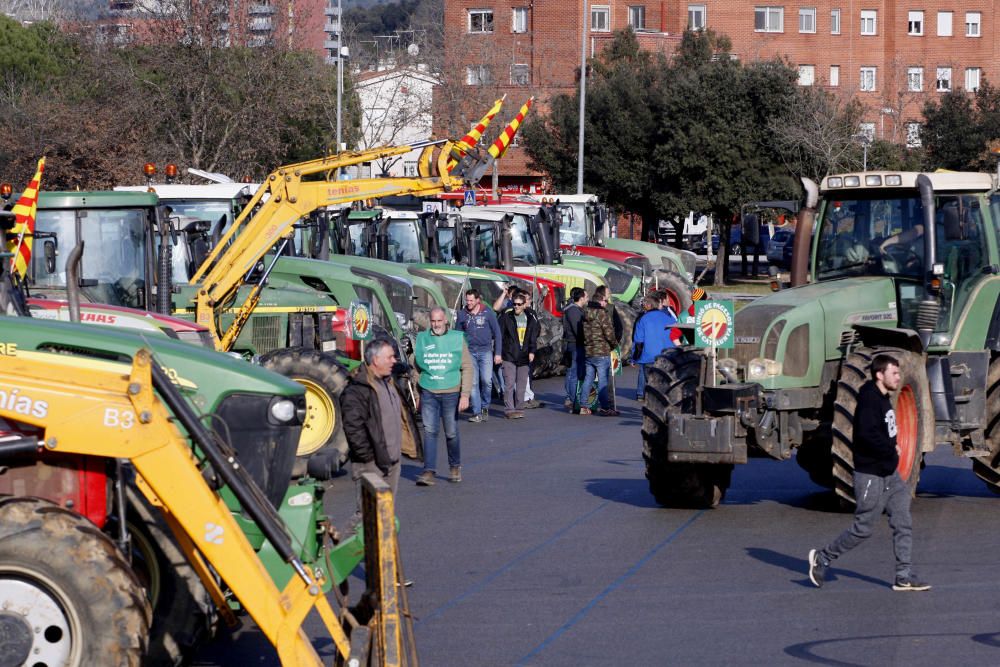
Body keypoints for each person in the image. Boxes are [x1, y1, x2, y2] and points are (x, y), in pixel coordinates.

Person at [808, 354, 930, 591]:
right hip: (871, 476)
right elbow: (865, 435)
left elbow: (884, 431)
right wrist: (890, 447)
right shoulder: (869, 400)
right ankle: (823, 557)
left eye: (897, 373)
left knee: (903, 521)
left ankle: (903, 576)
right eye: (893, 373)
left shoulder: (884, 399)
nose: (897, 377)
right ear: (879, 375)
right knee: (863, 528)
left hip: (890, 475)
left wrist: (891, 450)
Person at [341, 338, 405, 526]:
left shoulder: (387, 382)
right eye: (390, 357)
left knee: (385, 517)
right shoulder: (357, 389)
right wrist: (368, 458)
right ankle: (341, 553)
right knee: (365, 518)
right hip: (372, 465)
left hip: (391, 462)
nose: (394, 360)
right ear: (376, 360)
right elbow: (353, 427)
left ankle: (381, 555)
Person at [412, 307, 473, 486]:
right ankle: (429, 471)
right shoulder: (422, 339)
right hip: (429, 391)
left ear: (445, 320)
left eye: (439, 321)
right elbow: (416, 368)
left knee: (451, 431)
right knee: (430, 431)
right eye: (433, 321)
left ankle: (455, 466)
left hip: (451, 391)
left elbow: (467, 367)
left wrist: (465, 395)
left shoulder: (457, 338)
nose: (436, 324)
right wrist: (417, 395)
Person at [455, 288, 502, 423]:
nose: (468, 303)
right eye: (467, 300)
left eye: (471, 300)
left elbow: (497, 333)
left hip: (486, 350)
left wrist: (498, 353)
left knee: (486, 381)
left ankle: (485, 407)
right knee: (473, 382)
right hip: (469, 352)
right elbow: (457, 334)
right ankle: (477, 412)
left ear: (477, 300)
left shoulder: (488, 312)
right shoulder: (462, 314)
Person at [497, 290, 540, 418]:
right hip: (509, 354)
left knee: (521, 384)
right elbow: (499, 335)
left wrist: (532, 351)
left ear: (524, 305)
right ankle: (509, 410)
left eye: (519, 304)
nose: (516, 306)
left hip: (524, 355)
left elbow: (533, 336)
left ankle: (519, 408)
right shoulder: (506, 316)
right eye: (514, 304)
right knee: (509, 383)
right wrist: (498, 353)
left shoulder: (530, 318)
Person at [580, 285, 618, 416]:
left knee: (588, 379)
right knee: (603, 380)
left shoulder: (585, 313)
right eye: (605, 301)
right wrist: (614, 345)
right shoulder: (602, 313)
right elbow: (609, 333)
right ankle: (605, 407)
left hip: (589, 351)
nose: (605, 303)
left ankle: (583, 405)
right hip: (602, 351)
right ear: (601, 300)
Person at [632, 293, 676, 403]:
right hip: (667, 356)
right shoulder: (670, 319)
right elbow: (676, 336)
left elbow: (638, 342)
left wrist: (634, 358)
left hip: (648, 357)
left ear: (648, 306)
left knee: (651, 385)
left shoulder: (642, 320)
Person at [562, 287, 588, 412]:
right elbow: (578, 330)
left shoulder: (577, 310)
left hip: (576, 344)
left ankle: (572, 397)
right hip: (574, 345)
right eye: (586, 297)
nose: (587, 299)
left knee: (576, 373)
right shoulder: (573, 311)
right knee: (573, 374)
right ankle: (572, 399)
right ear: (581, 298)